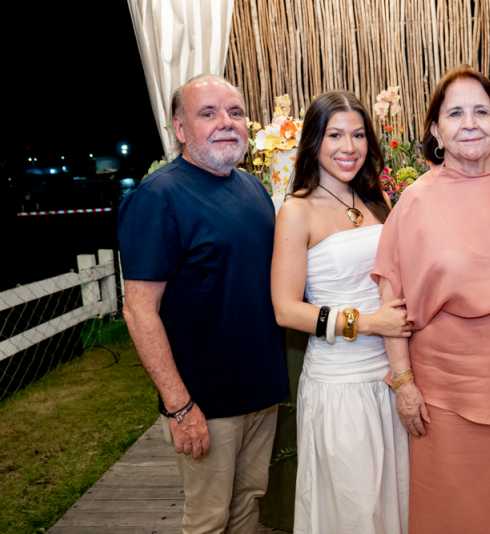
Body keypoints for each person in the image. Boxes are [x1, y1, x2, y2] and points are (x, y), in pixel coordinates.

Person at [119, 74, 289, 534]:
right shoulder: (159, 197)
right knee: (209, 519)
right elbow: (138, 310)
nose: (226, 123)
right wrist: (179, 405)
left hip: (260, 392)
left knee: (247, 507)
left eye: (234, 112)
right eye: (208, 113)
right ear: (179, 129)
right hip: (205, 402)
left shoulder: (253, 190)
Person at [271, 91, 411, 534]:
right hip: (340, 387)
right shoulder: (297, 211)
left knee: (396, 502)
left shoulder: (376, 203)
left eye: (358, 135)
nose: (348, 147)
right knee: (355, 511)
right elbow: (286, 310)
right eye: (335, 135)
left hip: (390, 380)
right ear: (313, 141)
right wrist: (368, 323)